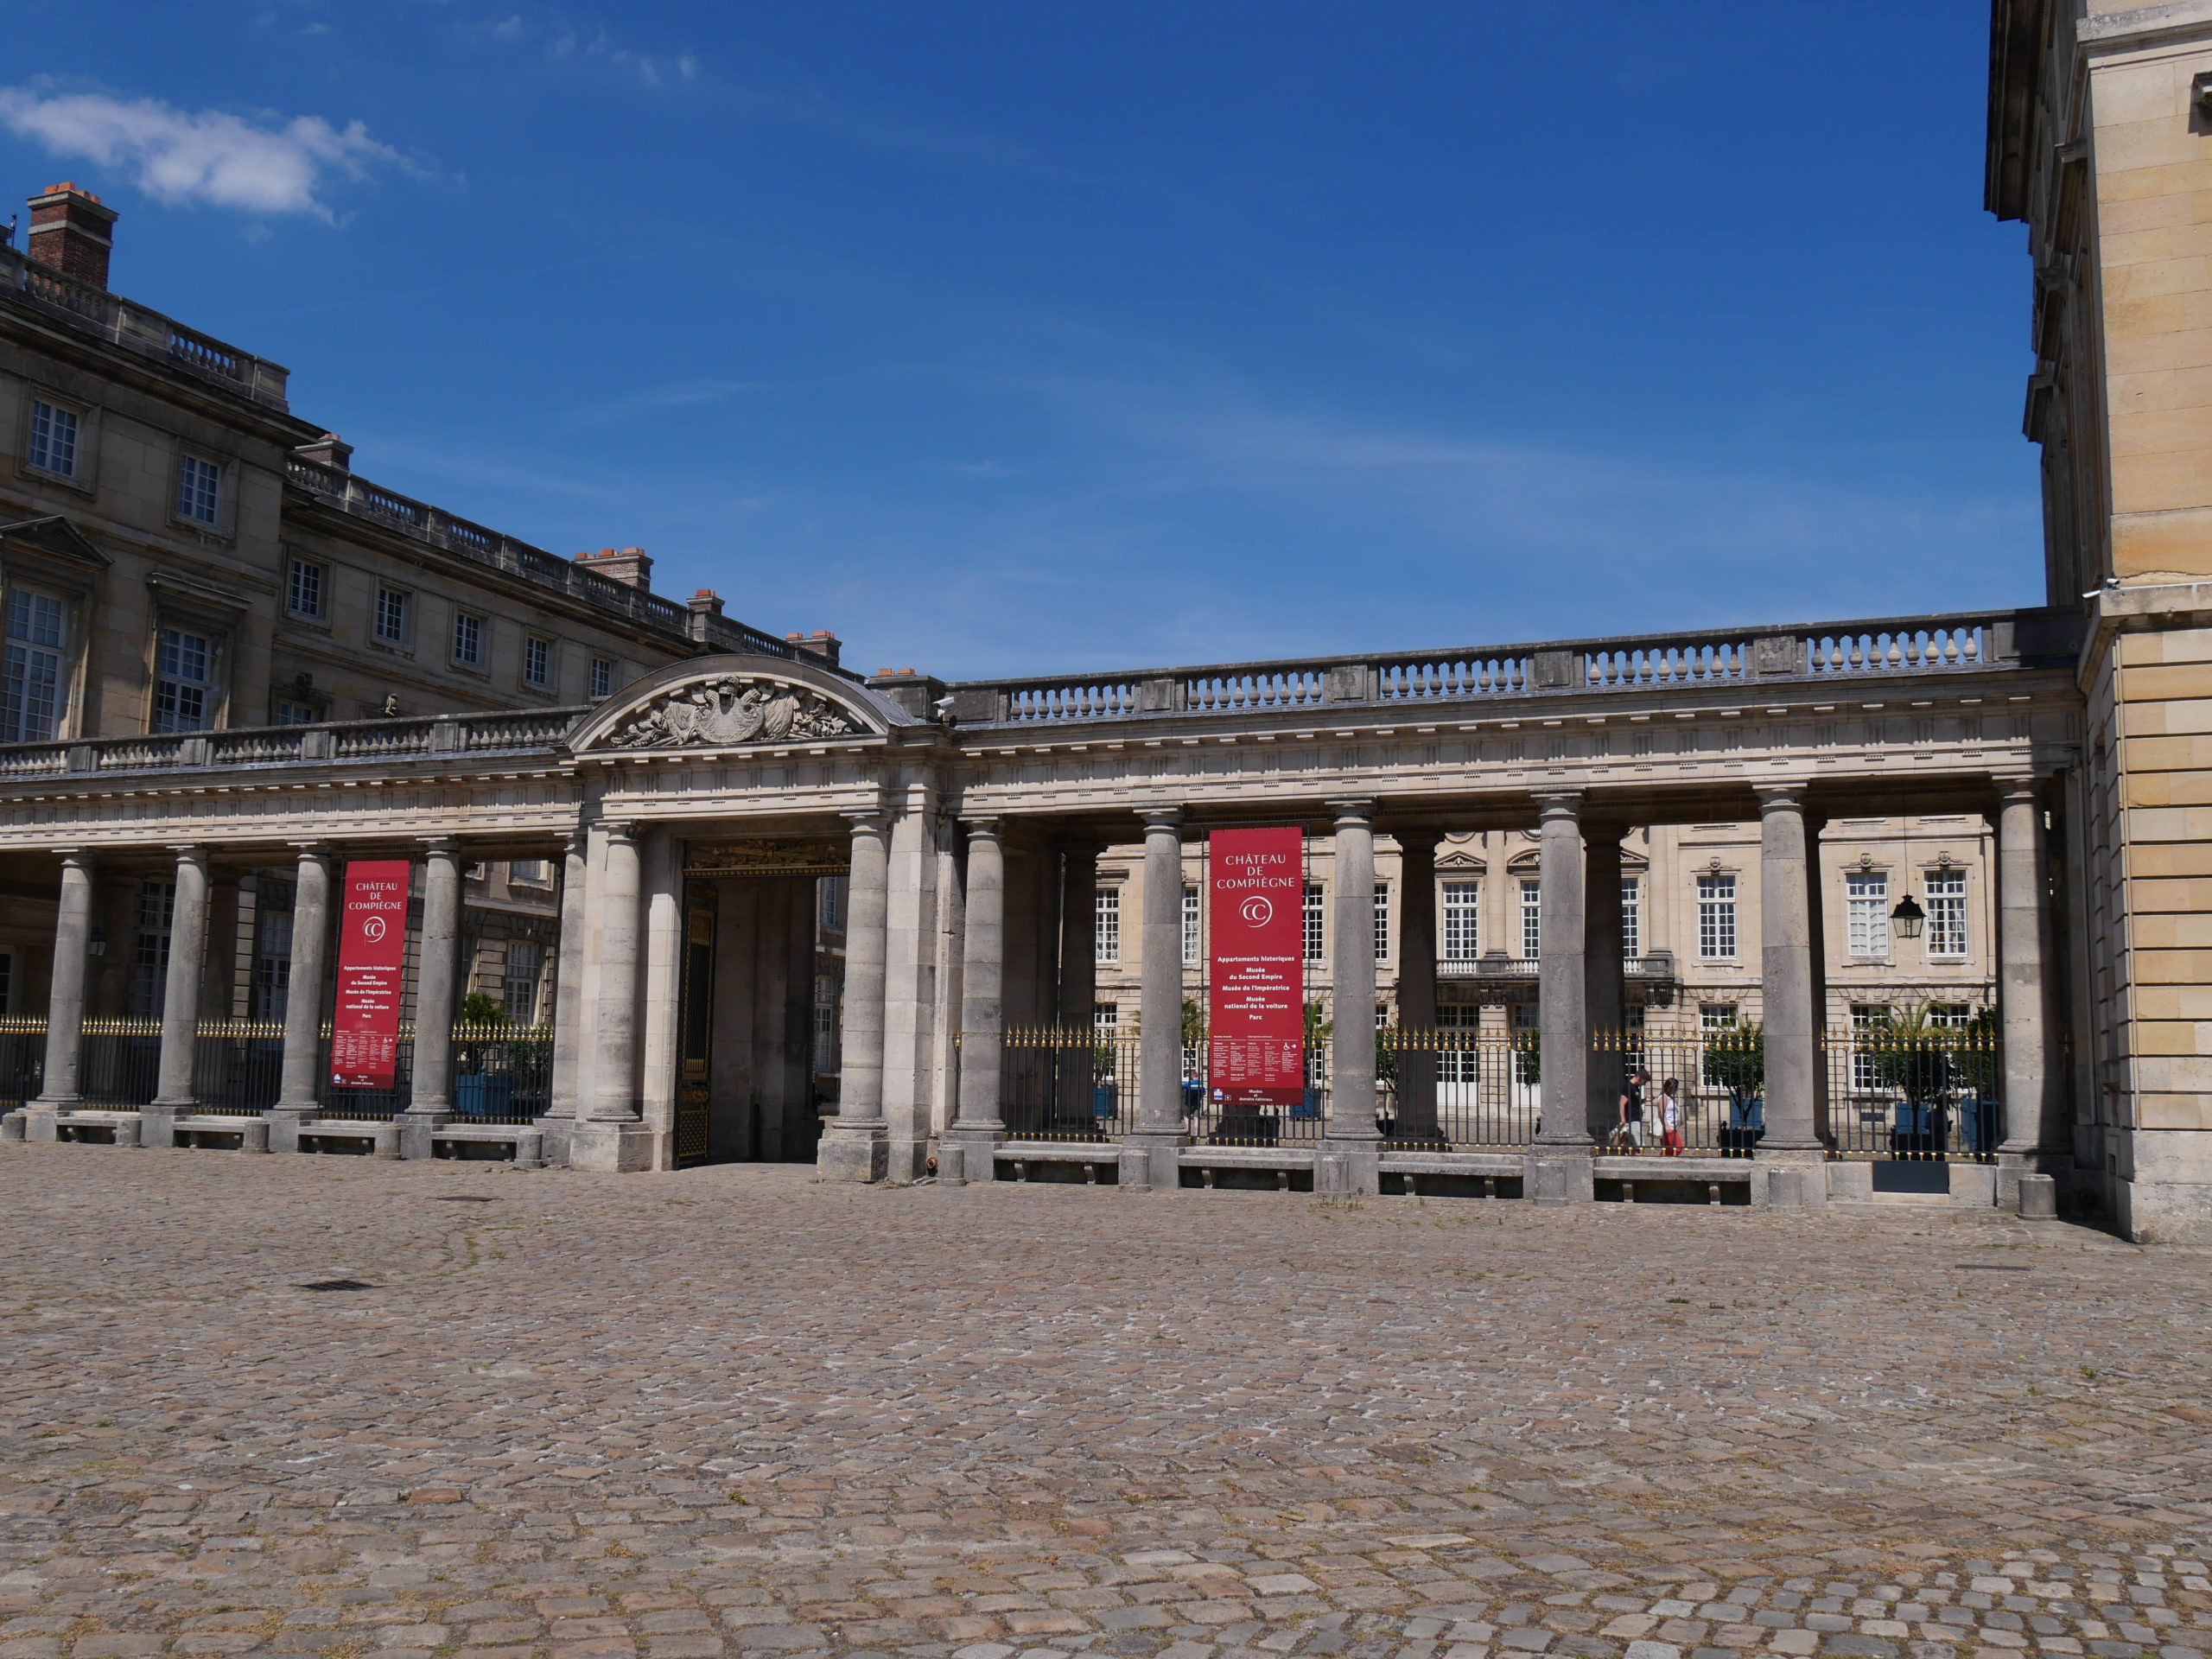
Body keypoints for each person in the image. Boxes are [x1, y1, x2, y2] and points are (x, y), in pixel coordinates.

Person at [1615, 1067, 1650, 1151]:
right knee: (1640, 1148)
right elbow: (1622, 1103)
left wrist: (1644, 1100)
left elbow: (1634, 1103)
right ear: (1639, 1078)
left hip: (1635, 1120)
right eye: (1644, 1082)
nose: (1644, 1084)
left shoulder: (1635, 1088)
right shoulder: (1628, 1087)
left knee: (1633, 1148)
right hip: (1632, 1121)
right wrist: (1623, 1119)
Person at [1659, 1077, 1684, 1156]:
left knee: (1675, 1149)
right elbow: (1661, 1112)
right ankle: (1663, 1160)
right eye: (1675, 1088)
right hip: (1668, 1126)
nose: (1676, 1090)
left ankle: (1668, 1160)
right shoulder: (1664, 1097)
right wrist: (1666, 1125)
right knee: (1671, 1149)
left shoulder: (1670, 1097)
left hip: (1673, 1127)